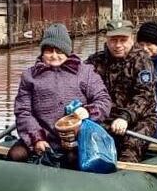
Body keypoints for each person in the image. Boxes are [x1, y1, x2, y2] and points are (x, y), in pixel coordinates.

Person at [9, 23, 112, 164]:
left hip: (75, 138)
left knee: (73, 159)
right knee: (16, 155)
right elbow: (23, 111)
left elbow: (104, 100)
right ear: (42, 52)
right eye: (49, 51)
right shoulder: (29, 76)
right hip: (43, 136)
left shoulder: (85, 72)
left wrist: (87, 111)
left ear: (67, 52)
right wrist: (37, 138)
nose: (54, 56)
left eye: (59, 51)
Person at [86, 19, 157, 162]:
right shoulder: (96, 61)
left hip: (139, 120)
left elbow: (144, 96)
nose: (118, 45)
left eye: (123, 40)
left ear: (132, 39)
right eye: (113, 40)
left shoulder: (142, 61)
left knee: (130, 150)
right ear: (106, 39)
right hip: (106, 118)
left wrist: (125, 118)